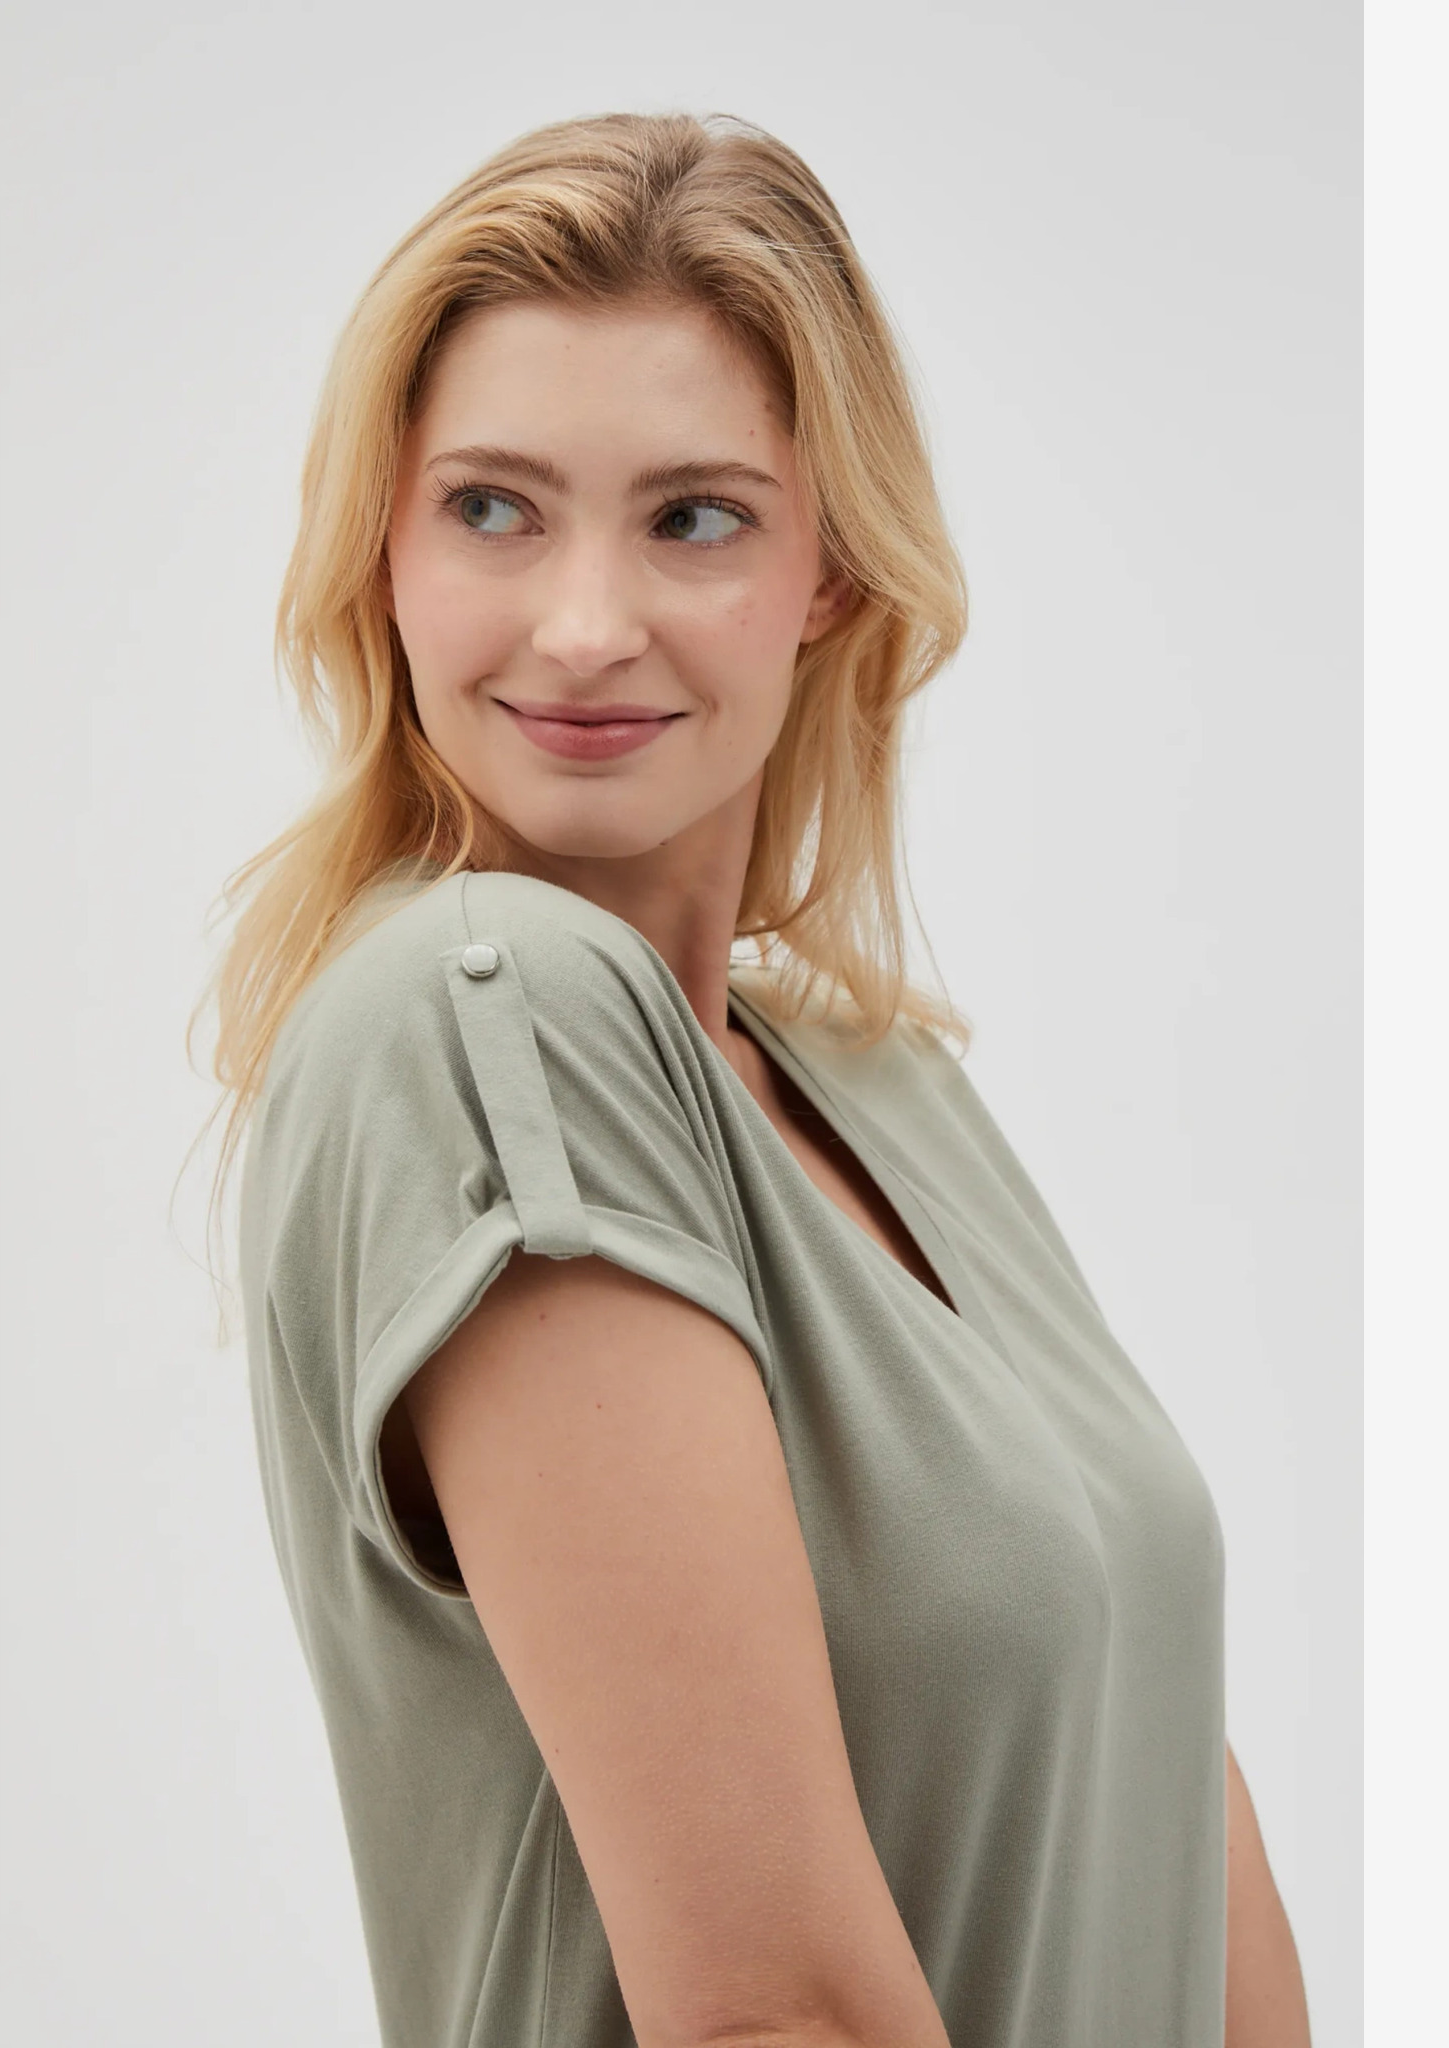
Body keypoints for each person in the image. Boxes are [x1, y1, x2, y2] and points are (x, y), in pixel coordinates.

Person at [208, 111, 1311, 2048]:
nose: (583, 627)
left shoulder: (871, 1076)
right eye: (493, 508)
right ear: (384, 550)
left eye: (695, 517)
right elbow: (771, 2014)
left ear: (829, 571)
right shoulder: (486, 1010)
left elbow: (1160, 1769)